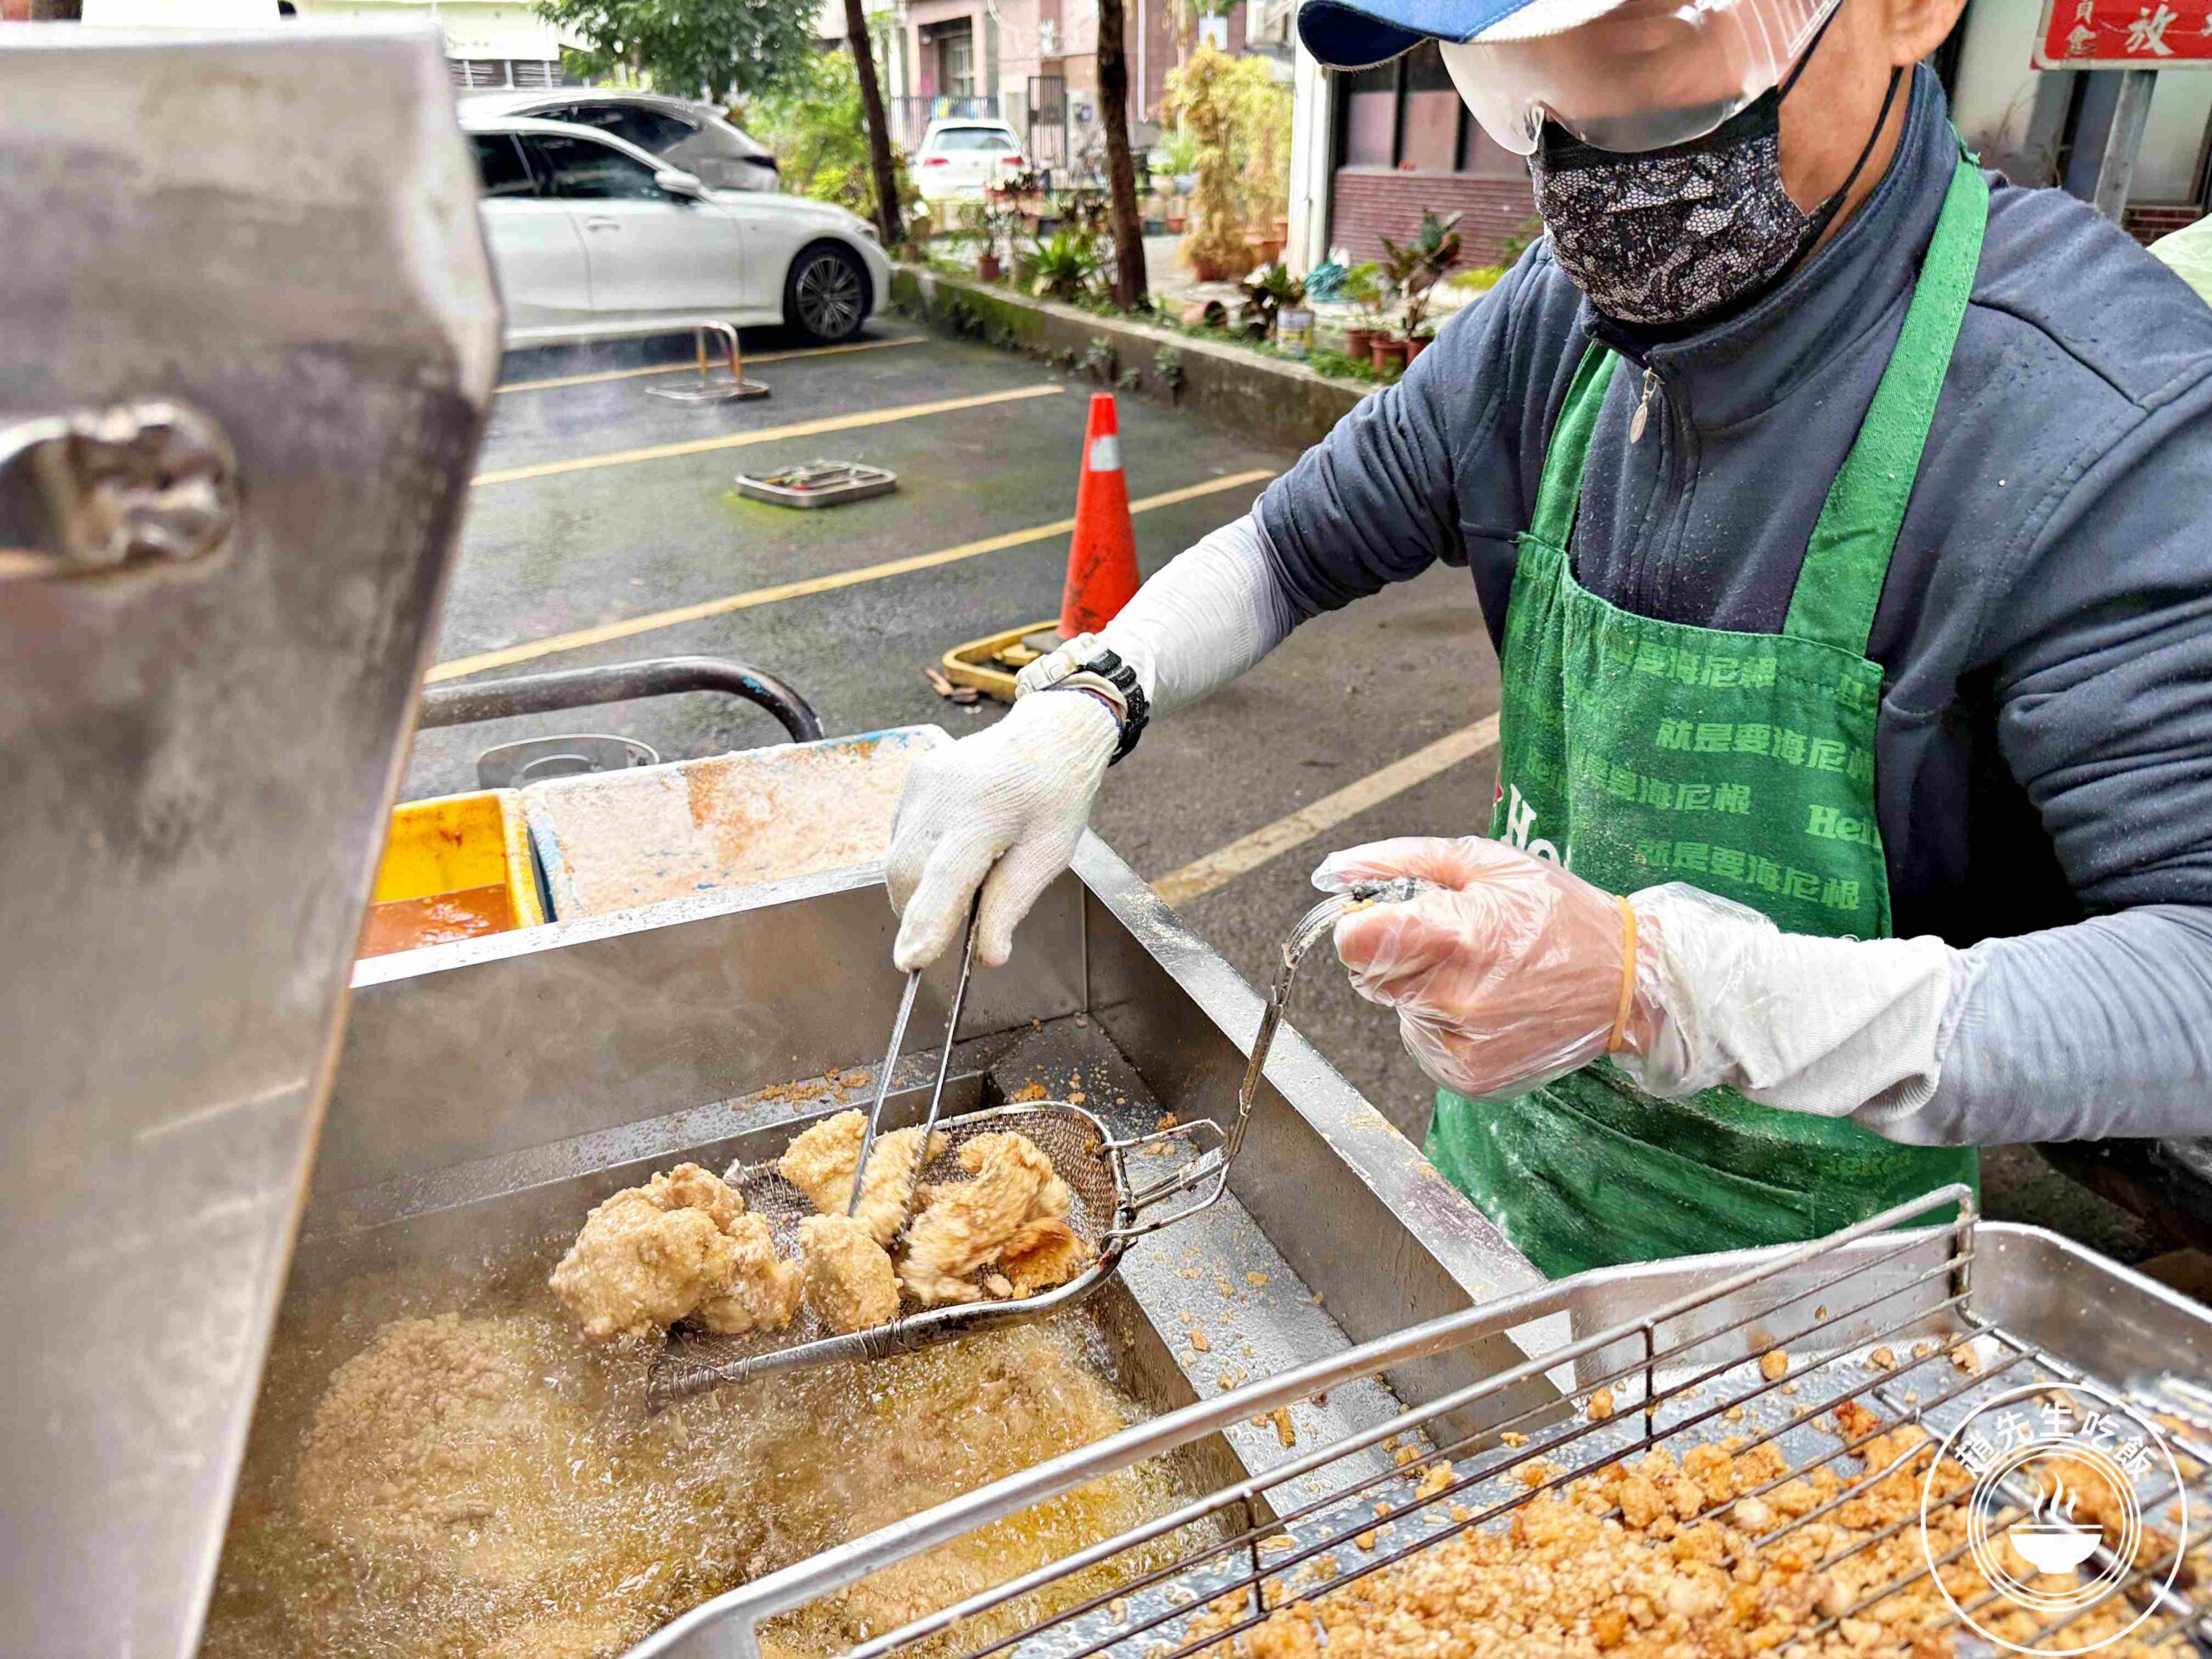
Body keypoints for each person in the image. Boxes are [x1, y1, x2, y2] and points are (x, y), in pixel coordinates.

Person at [884, 0, 2212, 1277]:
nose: (1588, 155)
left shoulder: (2096, 410)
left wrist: (1668, 988)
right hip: (1496, 1191)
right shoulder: (1555, 324)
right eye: (1523, 81)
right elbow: (1289, 548)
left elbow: (2195, 985)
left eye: (1644, 52)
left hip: (1822, 1295)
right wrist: (1090, 696)